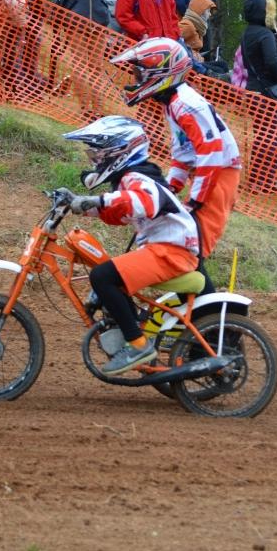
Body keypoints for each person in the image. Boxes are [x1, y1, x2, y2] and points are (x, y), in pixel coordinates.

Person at [59, 116, 200, 374]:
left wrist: (99, 200)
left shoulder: (139, 177)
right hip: (163, 249)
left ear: (118, 151)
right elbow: (120, 214)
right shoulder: (129, 179)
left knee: (102, 276)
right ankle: (131, 328)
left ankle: (138, 345)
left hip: (172, 251)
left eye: (97, 155)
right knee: (105, 274)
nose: (94, 161)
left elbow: (145, 202)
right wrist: (81, 205)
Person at [110, 37, 242, 295]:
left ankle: (212, 315)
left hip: (219, 175)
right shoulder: (174, 102)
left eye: (140, 73)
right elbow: (183, 151)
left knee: (193, 243)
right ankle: (194, 308)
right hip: (208, 173)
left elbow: (211, 152)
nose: (136, 79)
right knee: (183, 238)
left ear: (160, 73)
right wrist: (170, 188)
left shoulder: (184, 103)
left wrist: (195, 200)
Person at [240, 0, 277, 195]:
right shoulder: (265, 34)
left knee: (262, 135)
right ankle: (263, 182)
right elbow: (272, 62)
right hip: (266, 92)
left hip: (252, 89)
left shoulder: (247, 33)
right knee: (269, 137)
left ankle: (261, 181)